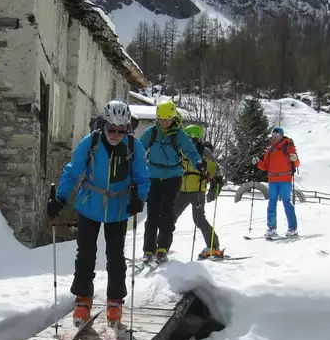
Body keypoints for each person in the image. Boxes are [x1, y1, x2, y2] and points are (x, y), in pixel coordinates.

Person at [48, 100, 150, 328]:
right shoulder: (91, 142)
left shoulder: (134, 147)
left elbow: (143, 178)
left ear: (127, 129)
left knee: (115, 256)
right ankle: (83, 299)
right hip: (89, 204)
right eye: (111, 129)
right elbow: (72, 171)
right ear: (104, 125)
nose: (115, 134)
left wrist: (139, 198)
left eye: (121, 130)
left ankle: (115, 301)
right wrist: (60, 198)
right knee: (85, 254)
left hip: (118, 207)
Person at [139, 100, 203, 264]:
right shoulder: (151, 132)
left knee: (167, 213)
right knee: (152, 214)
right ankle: (148, 249)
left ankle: (163, 249)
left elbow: (190, 151)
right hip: (153, 175)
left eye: (167, 119)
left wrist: (199, 163)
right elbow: (139, 148)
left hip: (173, 177)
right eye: (161, 119)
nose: (164, 122)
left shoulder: (179, 134)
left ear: (173, 118)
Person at [171, 125, 225, 259]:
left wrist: (216, 181)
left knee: (199, 220)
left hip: (197, 191)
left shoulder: (204, 152)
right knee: (170, 218)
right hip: (181, 190)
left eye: (188, 136)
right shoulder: (180, 149)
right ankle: (160, 247)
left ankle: (213, 247)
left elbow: (215, 169)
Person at [253, 126, 300, 238]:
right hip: (273, 180)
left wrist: (295, 159)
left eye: (276, 135)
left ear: (281, 135)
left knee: (286, 202)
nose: (273, 136)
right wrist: (258, 162)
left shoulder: (288, 147)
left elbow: (296, 163)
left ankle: (292, 228)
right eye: (273, 134)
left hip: (285, 180)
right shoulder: (270, 149)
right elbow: (265, 166)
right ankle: (271, 228)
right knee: (271, 203)